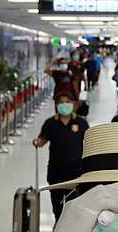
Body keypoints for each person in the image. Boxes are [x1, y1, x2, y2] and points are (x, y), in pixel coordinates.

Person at [35, 92, 90, 223]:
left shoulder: (81, 123)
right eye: (61, 102)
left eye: (67, 102)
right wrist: (36, 142)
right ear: (56, 105)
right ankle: (58, 226)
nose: (64, 105)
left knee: (74, 206)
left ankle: (70, 230)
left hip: (76, 173)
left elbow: (89, 144)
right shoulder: (50, 123)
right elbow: (42, 141)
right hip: (56, 173)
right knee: (57, 206)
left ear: (73, 104)